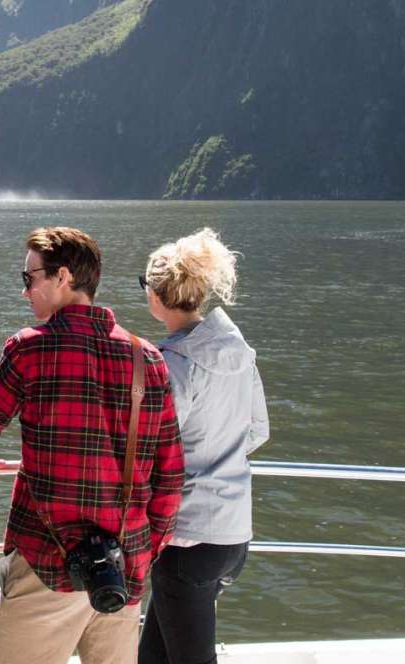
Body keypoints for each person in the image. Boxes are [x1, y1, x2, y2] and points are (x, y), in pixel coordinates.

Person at [0, 226, 184, 664]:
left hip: (44, 565)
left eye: (29, 278)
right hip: (120, 568)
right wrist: (144, 550)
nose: (25, 290)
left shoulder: (29, 351)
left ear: (62, 277)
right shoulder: (148, 359)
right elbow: (170, 474)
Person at [138, 228, 269, 664]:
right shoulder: (238, 351)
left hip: (187, 539)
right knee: (153, 656)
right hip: (233, 535)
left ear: (158, 295)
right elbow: (257, 430)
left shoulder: (174, 363)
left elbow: (155, 449)